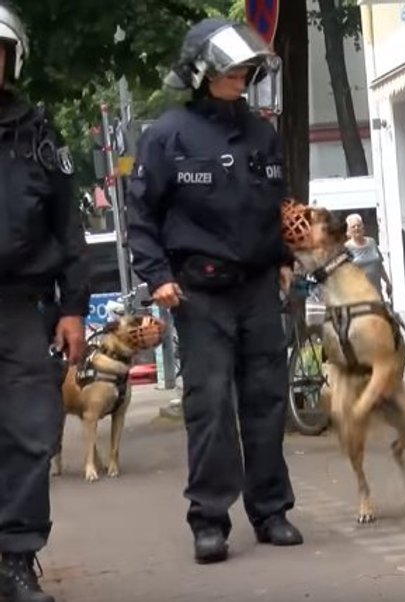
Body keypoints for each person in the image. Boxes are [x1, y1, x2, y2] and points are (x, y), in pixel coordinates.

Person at [126, 18, 302, 564]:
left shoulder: (262, 132)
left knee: (267, 401)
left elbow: (277, 203)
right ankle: (209, 519)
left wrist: (284, 257)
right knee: (210, 408)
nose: (243, 76)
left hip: (256, 288)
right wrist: (157, 276)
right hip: (197, 292)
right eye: (232, 69)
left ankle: (271, 511)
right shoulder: (166, 135)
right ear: (201, 72)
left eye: (248, 69)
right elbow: (140, 214)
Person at [0, 4, 89, 601]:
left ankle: (15, 560)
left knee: (31, 435)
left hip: (20, 305)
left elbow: (68, 227)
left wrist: (73, 307)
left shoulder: (38, 133)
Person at [344, 213, 392, 298]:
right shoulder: (346, 248)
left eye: (359, 225)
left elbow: (379, 266)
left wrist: (388, 282)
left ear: (363, 227)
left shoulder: (372, 242)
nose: (356, 228)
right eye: (353, 227)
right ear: (349, 231)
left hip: (376, 293)